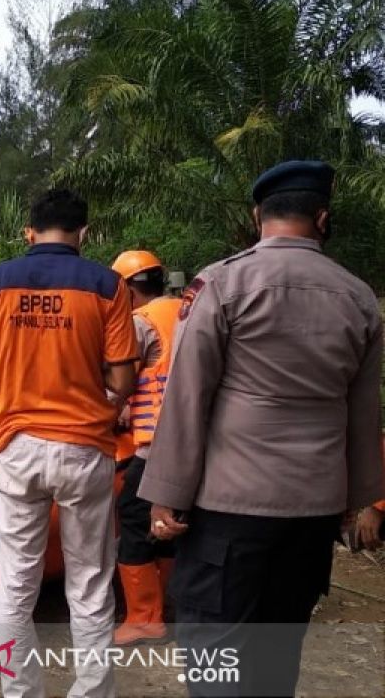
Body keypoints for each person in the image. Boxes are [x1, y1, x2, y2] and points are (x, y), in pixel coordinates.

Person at [141, 160, 385, 697]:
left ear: (258, 217)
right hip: (313, 510)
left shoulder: (224, 283)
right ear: (322, 218)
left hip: (231, 509)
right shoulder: (359, 297)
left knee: (215, 654)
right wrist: (360, 500)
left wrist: (165, 496)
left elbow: (187, 395)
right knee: (278, 654)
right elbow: (364, 412)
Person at [0, 188, 137, 698]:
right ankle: (92, 692)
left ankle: (19, 693)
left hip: (16, 446)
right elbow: (124, 378)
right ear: (84, 234)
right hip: (84, 446)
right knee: (88, 584)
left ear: (29, 232)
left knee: (15, 586)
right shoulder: (108, 285)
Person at [107, 250, 182, 646]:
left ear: (125, 289)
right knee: (170, 527)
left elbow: (118, 382)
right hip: (191, 444)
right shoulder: (188, 311)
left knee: (135, 522)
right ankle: (169, 608)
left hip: (154, 449)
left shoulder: (139, 323)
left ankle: (144, 618)